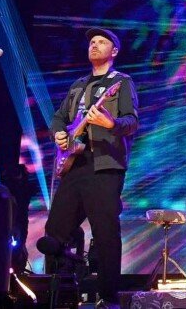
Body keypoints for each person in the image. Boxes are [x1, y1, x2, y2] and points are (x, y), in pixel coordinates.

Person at [47, 28, 139, 309]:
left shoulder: (121, 82)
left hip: (105, 165)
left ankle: (108, 298)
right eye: (92, 42)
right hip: (75, 164)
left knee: (106, 232)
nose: (94, 45)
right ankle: (59, 289)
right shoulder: (78, 85)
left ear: (114, 51)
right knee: (55, 231)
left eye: (101, 42)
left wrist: (111, 123)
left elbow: (132, 121)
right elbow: (59, 117)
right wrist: (58, 133)